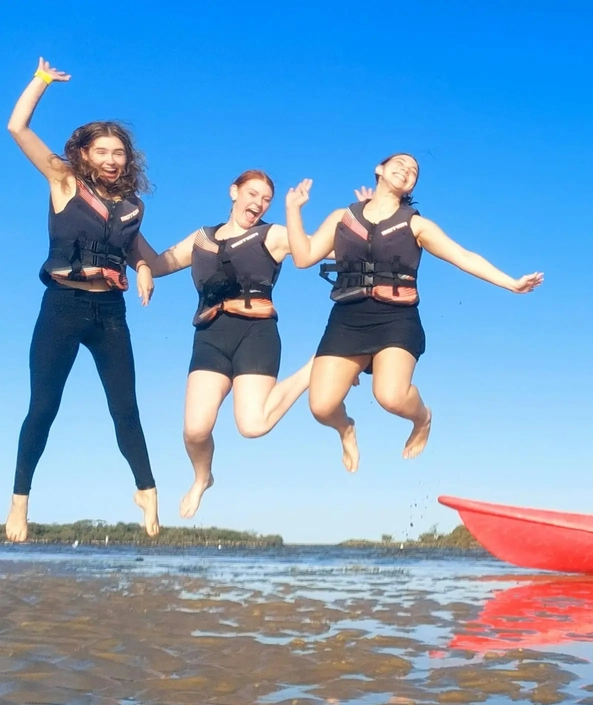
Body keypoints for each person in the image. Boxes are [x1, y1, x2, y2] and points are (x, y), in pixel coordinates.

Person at [284, 153, 544, 472]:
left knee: (390, 396)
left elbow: (463, 256)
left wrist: (511, 283)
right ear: (379, 169)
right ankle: (346, 429)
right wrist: (293, 211)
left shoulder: (416, 224)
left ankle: (422, 419)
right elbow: (303, 256)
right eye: (401, 164)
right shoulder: (343, 217)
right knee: (322, 407)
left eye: (414, 171)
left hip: (396, 319)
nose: (407, 170)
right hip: (347, 318)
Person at [141, 171, 366, 519]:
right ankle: (202, 478)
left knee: (253, 425)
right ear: (234, 192)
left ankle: (315, 369)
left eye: (265, 199)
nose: (258, 203)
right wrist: (123, 232)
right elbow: (157, 264)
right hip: (211, 337)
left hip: (256, 334)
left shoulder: (272, 235)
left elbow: (315, 247)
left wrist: (364, 221)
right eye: (252, 194)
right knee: (195, 429)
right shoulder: (201, 238)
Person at [5, 58, 160, 542]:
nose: (113, 159)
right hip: (63, 308)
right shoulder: (64, 181)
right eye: (103, 151)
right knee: (43, 407)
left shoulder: (132, 206)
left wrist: (145, 268)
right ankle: (19, 503)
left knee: (126, 409)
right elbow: (17, 127)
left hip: (110, 314)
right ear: (85, 154)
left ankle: (147, 493)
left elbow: (135, 249)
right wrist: (41, 81)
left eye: (119, 152)